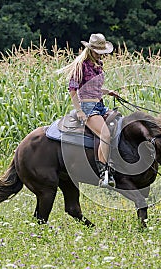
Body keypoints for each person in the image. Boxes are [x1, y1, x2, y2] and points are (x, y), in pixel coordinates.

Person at [57, 33, 118, 187]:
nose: (100, 54)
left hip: (100, 105)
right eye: (97, 51)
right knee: (105, 134)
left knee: (118, 125)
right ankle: (104, 174)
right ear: (90, 49)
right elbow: (73, 90)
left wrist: (107, 91)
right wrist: (79, 111)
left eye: (101, 52)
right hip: (88, 107)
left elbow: (93, 87)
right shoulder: (81, 65)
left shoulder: (99, 65)